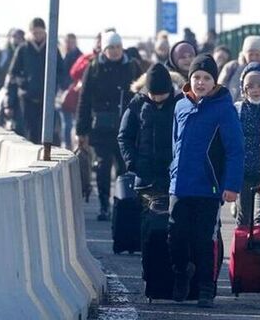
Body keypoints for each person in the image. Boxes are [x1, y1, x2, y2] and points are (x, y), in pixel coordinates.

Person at [168, 54, 244, 308]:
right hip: (180, 185)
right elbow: (175, 143)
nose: (201, 82)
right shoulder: (180, 105)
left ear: (215, 81)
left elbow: (235, 149)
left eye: (206, 78)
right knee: (175, 236)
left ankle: (205, 287)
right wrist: (172, 172)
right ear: (190, 79)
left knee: (204, 239)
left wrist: (231, 185)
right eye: (196, 77)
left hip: (209, 187)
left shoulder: (224, 108)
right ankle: (181, 273)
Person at [76, 30, 142, 221]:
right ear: (104, 49)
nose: (115, 51)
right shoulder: (94, 67)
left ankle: (121, 204)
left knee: (124, 168)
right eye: (111, 47)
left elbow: (141, 95)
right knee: (103, 167)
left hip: (126, 128)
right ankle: (104, 205)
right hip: (101, 130)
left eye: (118, 47)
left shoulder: (131, 66)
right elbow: (84, 99)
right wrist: (82, 130)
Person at [118, 63, 181, 205]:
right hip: (145, 176)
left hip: (173, 176)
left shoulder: (180, 103)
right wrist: (133, 163)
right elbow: (124, 136)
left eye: (162, 95)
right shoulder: (137, 104)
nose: (157, 99)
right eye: (153, 95)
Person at [4, 17, 65, 144]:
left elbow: (61, 71)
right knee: (29, 133)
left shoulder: (52, 49)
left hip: (46, 100)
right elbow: (12, 75)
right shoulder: (23, 49)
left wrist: (54, 87)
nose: (37, 36)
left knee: (48, 134)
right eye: (34, 33)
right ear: (30, 33)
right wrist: (9, 102)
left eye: (40, 32)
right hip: (27, 99)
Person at [234, 62, 260, 226]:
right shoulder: (238, 109)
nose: (255, 90)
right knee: (244, 216)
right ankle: (242, 249)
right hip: (244, 172)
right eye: (250, 86)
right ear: (244, 89)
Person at [218, 35, 260, 102]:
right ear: (244, 55)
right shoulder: (232, 67)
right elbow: (220, 90)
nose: (254, 58)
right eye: (250, 55)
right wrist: (241, 69)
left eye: (257, 55)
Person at [59, 33, 83, 149]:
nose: (69, 45)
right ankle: (67, 145)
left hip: (75, 95)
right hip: (62, 94)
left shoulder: (80, 57)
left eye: (72, 42)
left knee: (73, 123)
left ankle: (73, 146)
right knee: (66, 123)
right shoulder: (61, 56)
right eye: (67, 42)